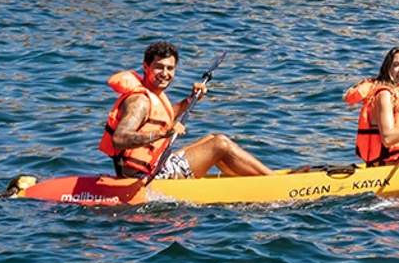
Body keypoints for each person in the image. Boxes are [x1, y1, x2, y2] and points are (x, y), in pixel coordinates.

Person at [100, 40, 272, 180]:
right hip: (147, 177)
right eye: (159, 67)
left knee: (210, 139)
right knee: (220, 144)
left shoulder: (153, 95)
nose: (165, 73)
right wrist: (162, 133)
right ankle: (273, 182)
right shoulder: (139, 101)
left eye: (170, 68)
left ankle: (250, 180)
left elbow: (162, 117)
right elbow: (120, 138)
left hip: (156, 164)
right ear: (146, 67)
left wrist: (190, 100)